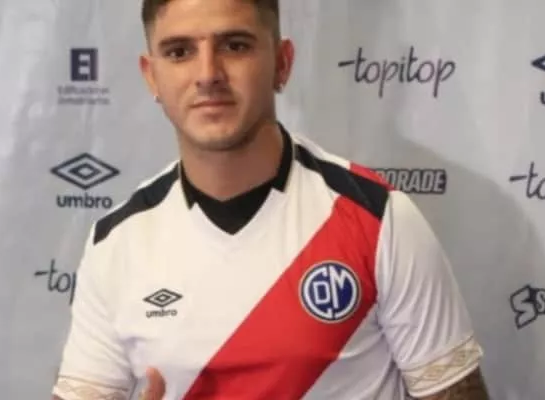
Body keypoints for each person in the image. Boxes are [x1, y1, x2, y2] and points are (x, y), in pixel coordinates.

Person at [51, 0, 490, 399]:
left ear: (282, 63)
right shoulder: (116, 243)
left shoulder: (378, 218)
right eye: (180, 52)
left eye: (235, 46)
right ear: (152, 76)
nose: (208, 74)